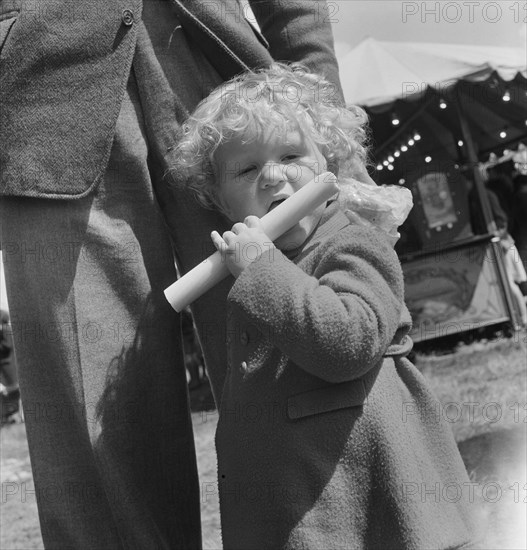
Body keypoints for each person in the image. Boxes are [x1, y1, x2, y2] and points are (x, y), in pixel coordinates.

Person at [0, 2, 342, 547]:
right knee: (98, 452)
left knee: (302, 376)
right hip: (44, 83)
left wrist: (324, 104)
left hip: (224, 78)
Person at [173, 64, 477, 549]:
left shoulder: (355, 243)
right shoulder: (258, 264)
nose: (273, 176)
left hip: (370, 505)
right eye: (247, 169)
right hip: (297, 507)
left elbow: (348, 344)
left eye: (292, 155)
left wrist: (262, 271)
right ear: (220, 200)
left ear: (327, 163)